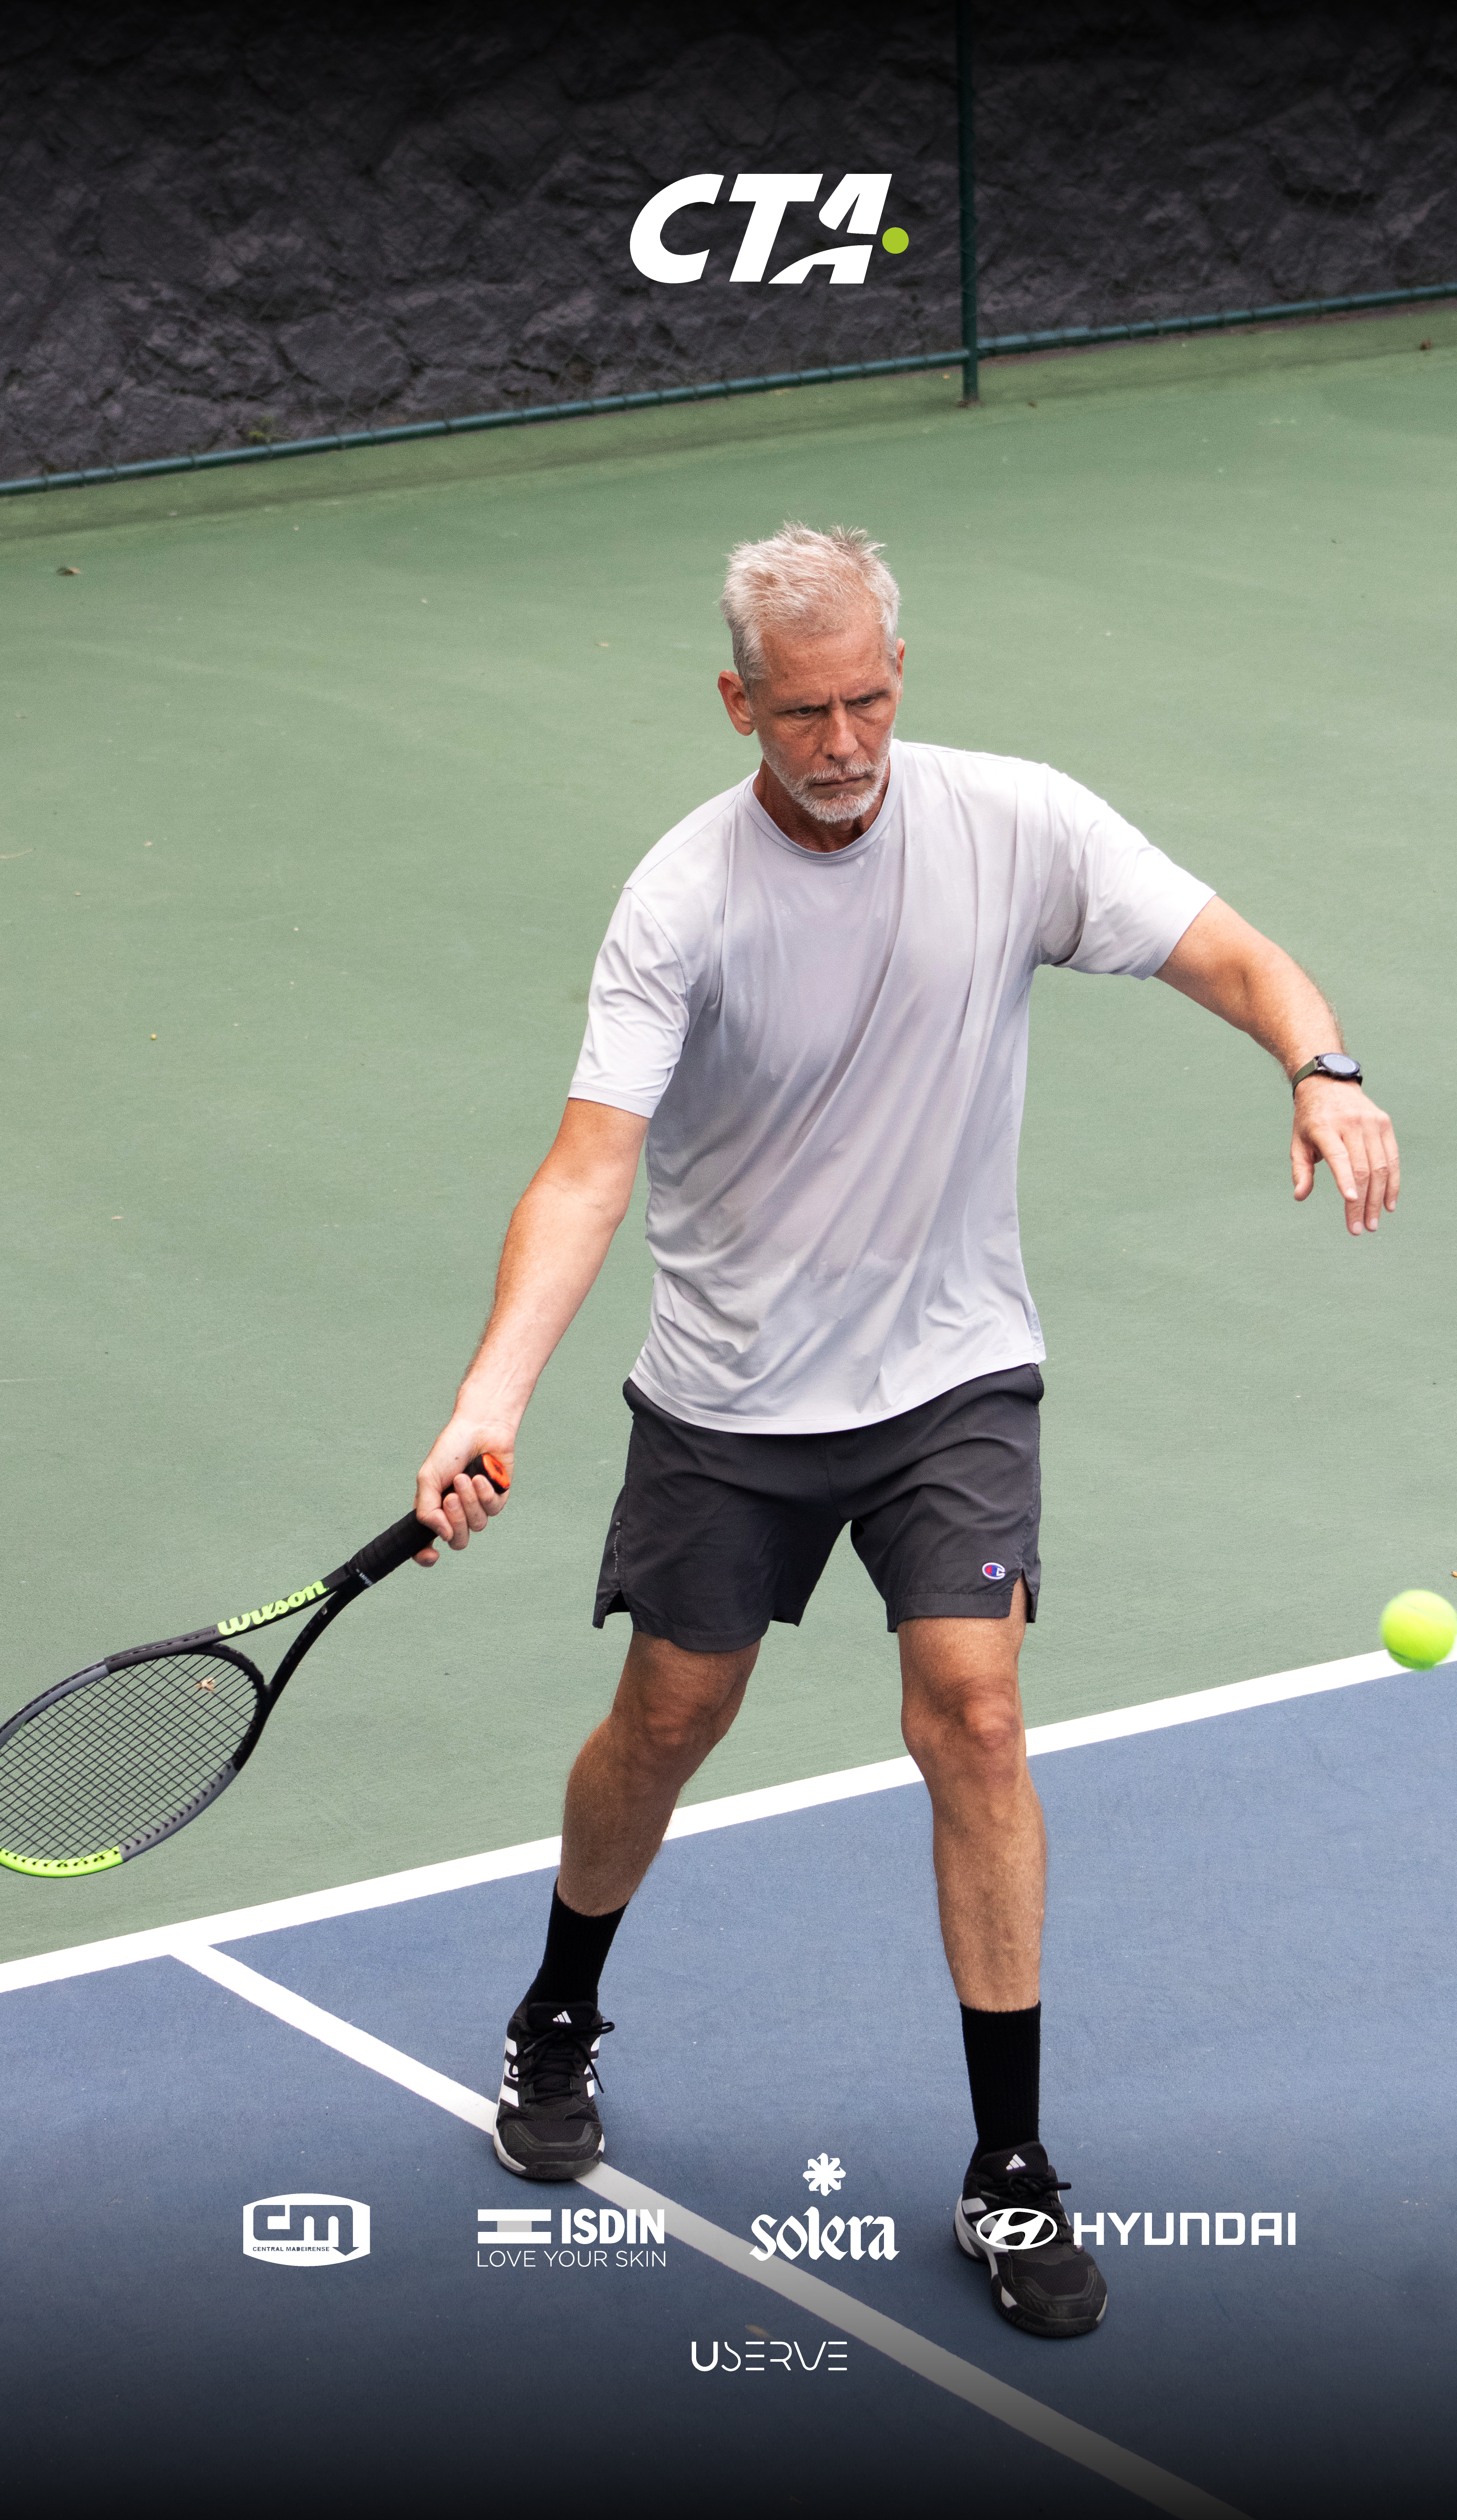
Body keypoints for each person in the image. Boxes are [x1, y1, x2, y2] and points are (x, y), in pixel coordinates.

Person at [413, 523, 1399, 2343]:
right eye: (805, 712)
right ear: (738, 705)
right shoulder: (678, 901)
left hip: (952, 1374)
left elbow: (1235, 955)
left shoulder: (1015, 824)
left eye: (871, 696)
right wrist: (491, 1396)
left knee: (975, 1706)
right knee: (670, 1717)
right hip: (727, 1398)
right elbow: (587, 1170)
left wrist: (1317, 1066)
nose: (848, 740)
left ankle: (1009, 2170)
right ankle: (559, 2011)